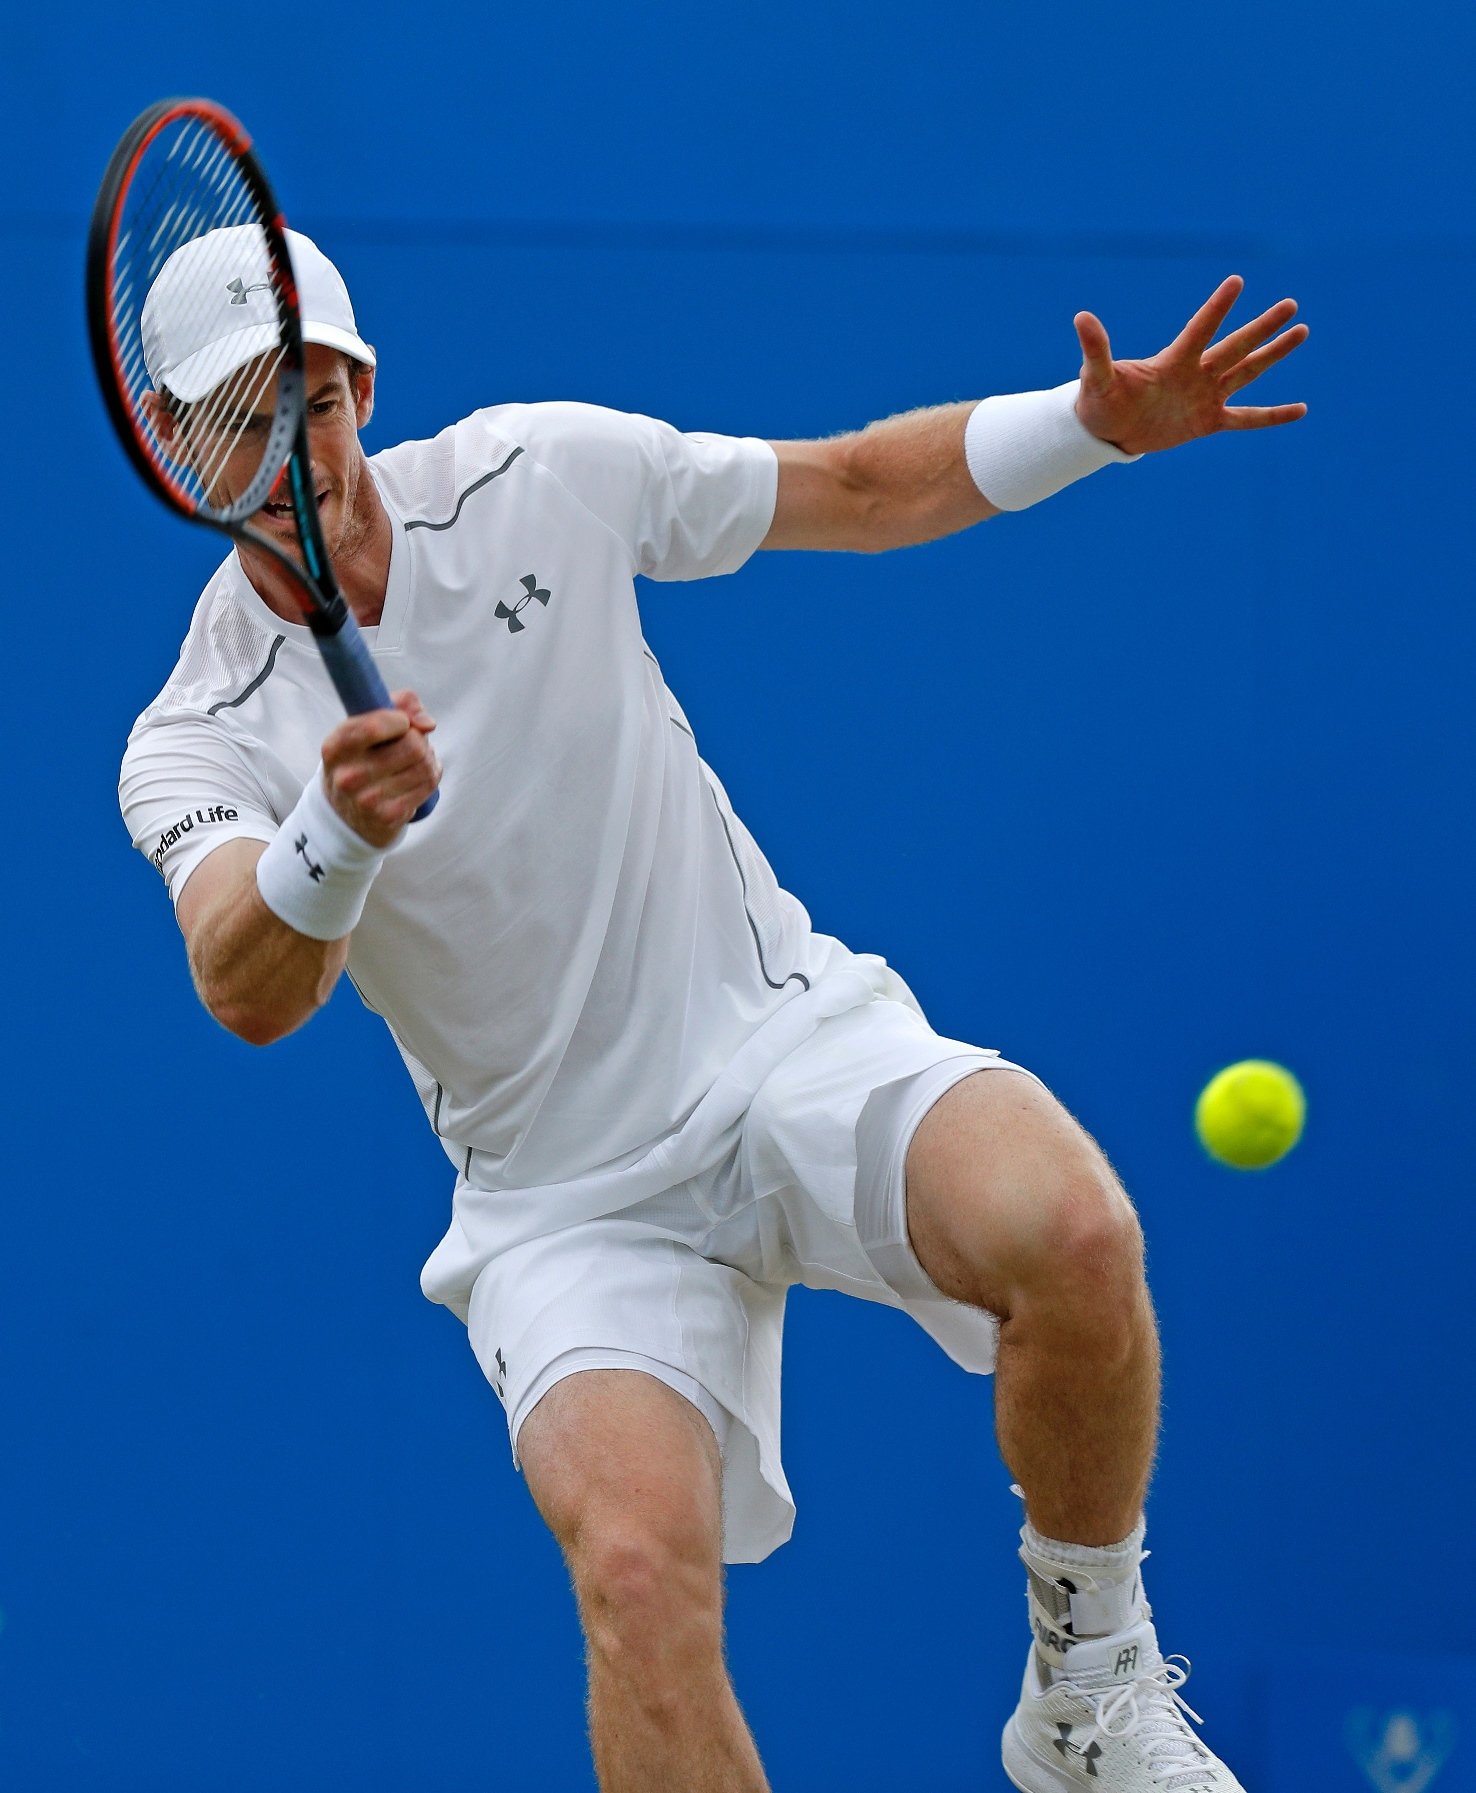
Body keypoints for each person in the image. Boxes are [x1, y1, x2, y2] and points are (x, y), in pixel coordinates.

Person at [120, 225, 1307, 1793]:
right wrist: (334, 833)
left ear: (363, 391)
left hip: (779, 1043)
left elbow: (861, 485)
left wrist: (1092, 422)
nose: (287, 449)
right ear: (171, 445)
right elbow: (245, 983)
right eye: (236, 416)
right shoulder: (195, 733)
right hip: (563, 1205)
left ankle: (1086, 1694)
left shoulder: (536, 473)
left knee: (1074, 1233)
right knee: (634, 1581)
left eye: (313, 401)